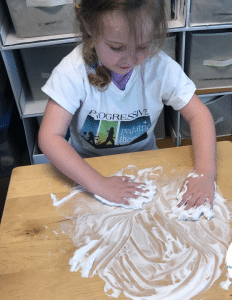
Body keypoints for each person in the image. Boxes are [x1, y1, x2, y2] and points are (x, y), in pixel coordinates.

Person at [38, 0, 217, 209]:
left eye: (142, 46)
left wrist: (205, 173)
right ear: (89, 26)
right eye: (117, 47)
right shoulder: (73, 71)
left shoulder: (159, 67)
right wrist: (99, 184)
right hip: (87, 167)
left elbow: (199, 115)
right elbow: (50, 137)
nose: (130, 58)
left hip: (145, 162)